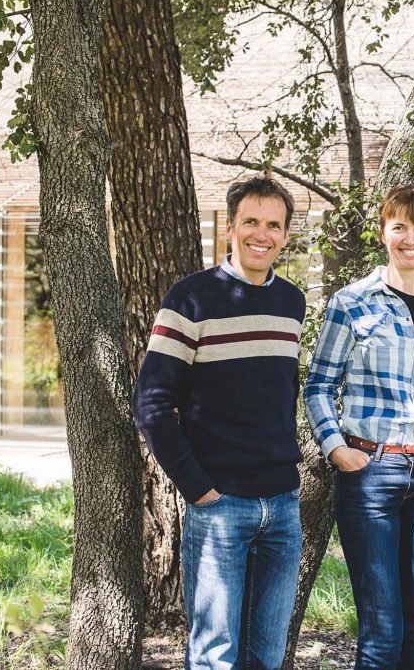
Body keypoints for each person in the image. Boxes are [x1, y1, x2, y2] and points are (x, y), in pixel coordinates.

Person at [133, 176, 305, 670]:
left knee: (267, 657)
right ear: (229, 226)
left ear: (286, 236)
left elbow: (277, 394)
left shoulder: (291, 303)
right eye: (251, 221)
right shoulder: (190, 299)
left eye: (274, 225)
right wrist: (199, 488)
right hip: (219, 506)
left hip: (282, 505)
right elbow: (150, 403)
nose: (262, 233)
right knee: (213, 657)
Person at [304, 186, 414, 670]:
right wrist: (337, 449)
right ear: (383, 233)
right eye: (400, 226)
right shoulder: (352, 303)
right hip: (370, 474)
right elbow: (317, 386)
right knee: (381, 632)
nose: (410, 238)